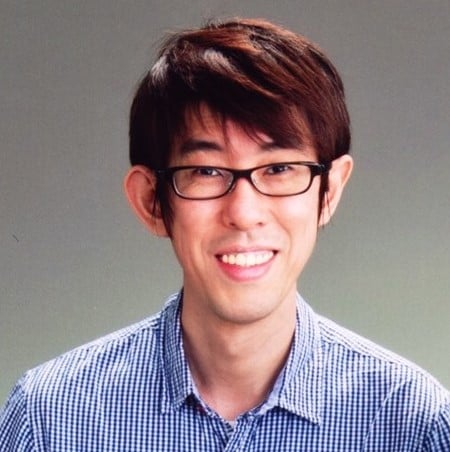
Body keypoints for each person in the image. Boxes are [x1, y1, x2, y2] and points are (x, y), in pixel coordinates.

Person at [1, 17, 449, 451]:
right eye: (206, 171)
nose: (244, 214)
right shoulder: (51, 420)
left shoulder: (413, 425)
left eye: (279, 168)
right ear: (151, 201)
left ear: (329, 191)